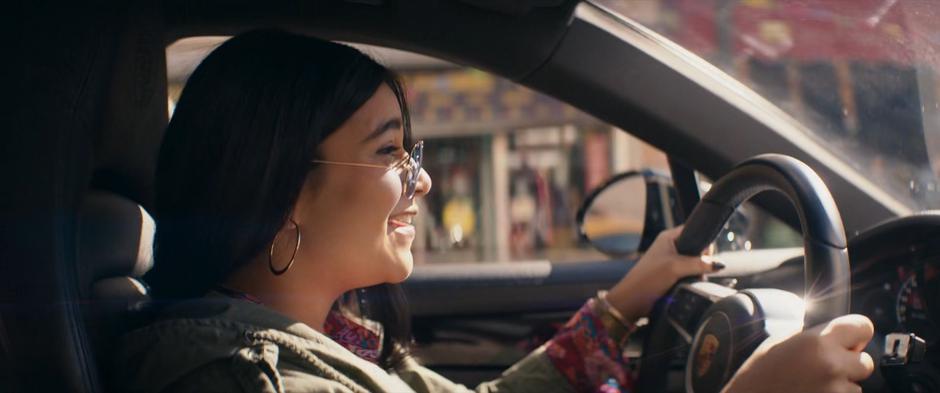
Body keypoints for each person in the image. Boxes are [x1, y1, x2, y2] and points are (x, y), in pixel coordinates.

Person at [114, 29, 875, 393]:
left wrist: (623, 303)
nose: (423, 182)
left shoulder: (312, 342)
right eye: (389, 154)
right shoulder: (252, 379)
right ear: (283, 191)